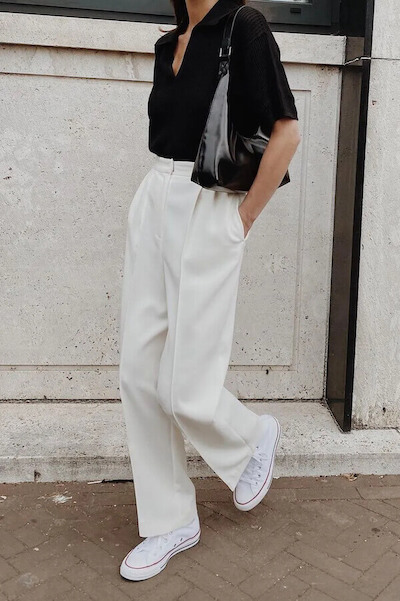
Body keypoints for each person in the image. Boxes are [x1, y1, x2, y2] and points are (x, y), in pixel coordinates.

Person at [118, 0, 300, 581]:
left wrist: (241, 221)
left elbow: (286, 133)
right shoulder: (170, 41)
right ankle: (169, 522)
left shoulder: (243, 25)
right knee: (139, 373)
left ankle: (251, 439)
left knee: (185, 385)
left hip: (210, 205)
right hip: (155, 199)